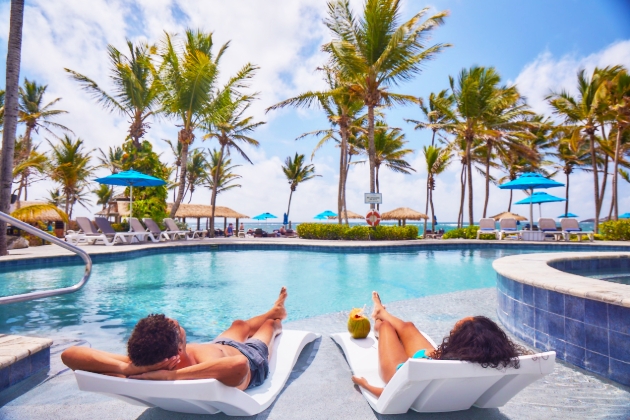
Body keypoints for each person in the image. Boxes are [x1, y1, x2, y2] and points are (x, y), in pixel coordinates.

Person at [61, 287, 289, 390]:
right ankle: (276, 317)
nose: (177, 323)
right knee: (269, 327)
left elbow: (68, 355)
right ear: (177, 352)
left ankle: (273, 309)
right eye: (178, 329)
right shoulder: (176, 368)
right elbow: (238, 365)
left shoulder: (144, 361)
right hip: (250, 356)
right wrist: (171, 376)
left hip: (219, 346)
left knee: (239, 324)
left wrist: (126, 368)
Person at [351, 292, 528, 398]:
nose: (451, 331)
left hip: (397, 371)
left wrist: (365, 384)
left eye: (455, 331)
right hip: (424, 360)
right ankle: (381, 311)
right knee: (409, 326)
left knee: (385, 327)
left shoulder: (433, 366)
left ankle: (379, 319)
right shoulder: (484, 357)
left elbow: (393, 392)